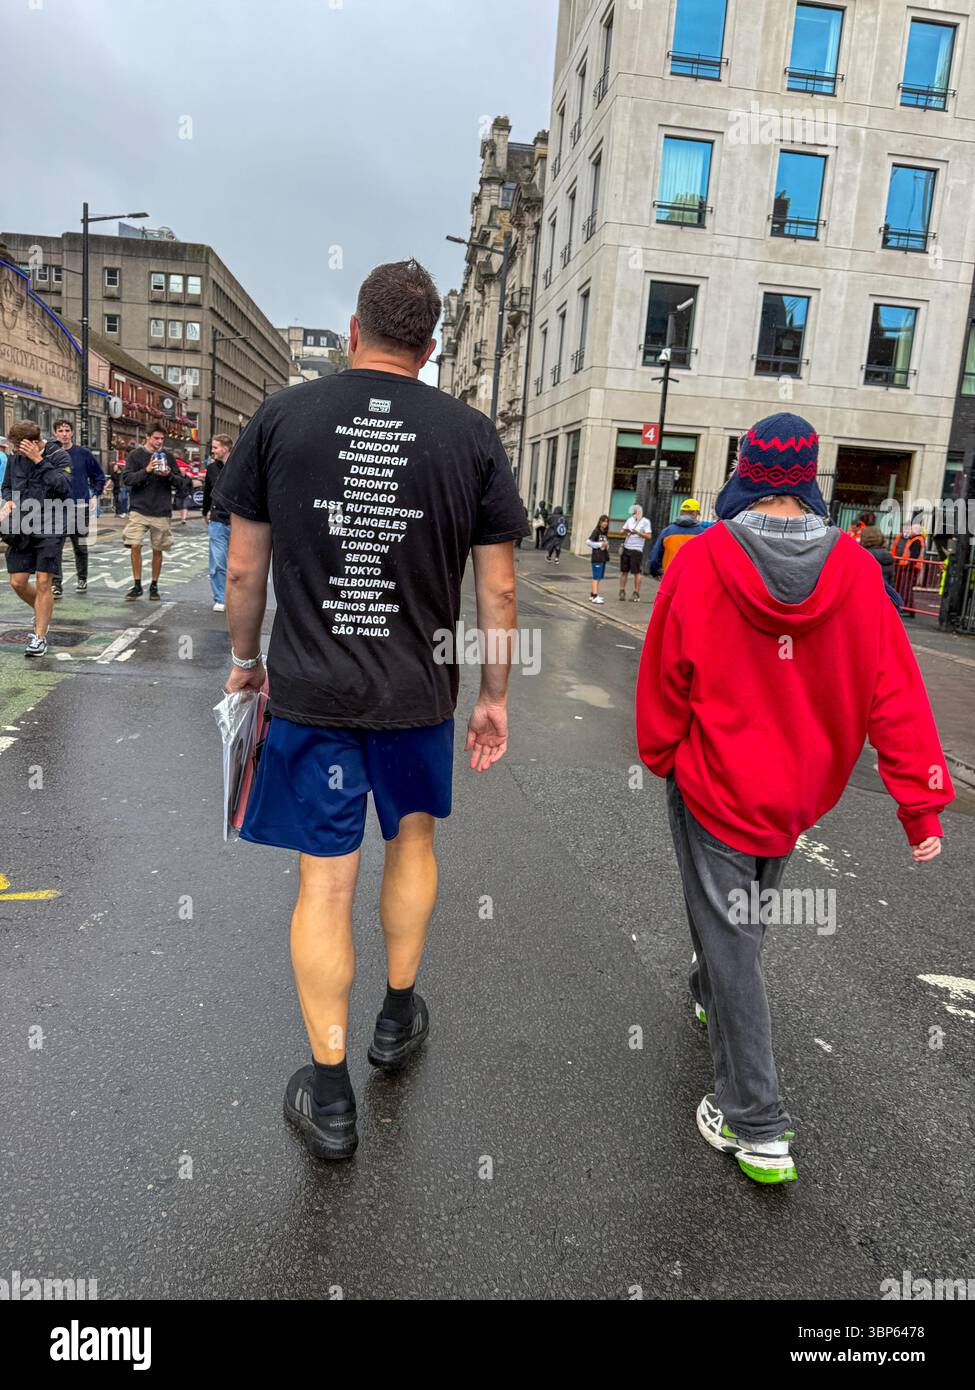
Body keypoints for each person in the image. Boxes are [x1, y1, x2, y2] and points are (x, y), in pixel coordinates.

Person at [215, 258, 529, 1161]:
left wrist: (245, 662)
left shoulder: (281, 416)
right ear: (429, 350)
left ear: (353, 333)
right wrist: (496, 696)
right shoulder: (468, 433)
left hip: (311, 693)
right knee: (415, 844)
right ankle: (397, 1017)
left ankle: (329, 1092)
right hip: (418, 695)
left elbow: (244, 569)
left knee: (326, 879)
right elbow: (499, 593)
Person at [636, 411, 953, 1187]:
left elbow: (665, 668)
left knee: (733, 932)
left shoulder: (704, 558)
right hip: (800, 789)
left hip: (715, 780)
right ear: (809, 482)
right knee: (740, 919)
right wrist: (919, 801)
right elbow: (895, 693)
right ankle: (708, 990)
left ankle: (755, 1123)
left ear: (747, 474)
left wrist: (662, 750)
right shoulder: (857, 572)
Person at [0, 421, 72, 657]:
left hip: (52, 526)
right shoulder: (15, 459)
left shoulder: (58, 455)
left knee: (43, 582)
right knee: (18, 582)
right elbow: (8, 486)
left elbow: (63, 486)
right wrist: (9, 500)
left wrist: (39, 461)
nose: (16, 451)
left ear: (33, 442)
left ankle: (39, 638)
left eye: (20, 447)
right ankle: (43, 610)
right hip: (22, 526)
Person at [121, 425, 187, 601]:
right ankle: (136, 584)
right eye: (156, 438)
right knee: (134, 544)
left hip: (161, 509)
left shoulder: (169, 457)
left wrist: (169, 475)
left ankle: (154, 585)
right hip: (139, 508)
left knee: (158, 548)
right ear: (148, 437)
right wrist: (147, 470)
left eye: (162, 439)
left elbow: (181, 482)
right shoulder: (135, 456)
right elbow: (127, 479)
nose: (159, 442)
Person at [51, 419, 106, 597]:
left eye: (67, 430)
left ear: (72, 433)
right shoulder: (50, 454)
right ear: (55, 433)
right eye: (60, 430)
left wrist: (95, 494)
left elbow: (98, 476)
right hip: (57, 507)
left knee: (80, 546)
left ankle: (82, 578)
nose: (64, 433)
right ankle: (56, 584)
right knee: (55, 547)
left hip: (80, 506)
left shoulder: (83, 453)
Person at [202, 434, 234, 612]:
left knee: (237, 565)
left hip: (238, 521)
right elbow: (208, 491)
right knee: (218, 561)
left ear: (225, 448)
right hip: (218, 520)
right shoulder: (212, 468)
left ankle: (235, 596)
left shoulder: (239, 465)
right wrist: (205, 511)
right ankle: (220, 597)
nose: (212, 451)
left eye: (215, 447)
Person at [647, 498, 709, 579]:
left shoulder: (667, 532)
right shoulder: (703, 533)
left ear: (681, 512)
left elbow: (654, 558)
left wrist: (655, 572)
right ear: (695, 513)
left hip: (670, 578)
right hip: (693, 579)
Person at [890, 521, 926, 619]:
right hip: (909, 567)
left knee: (906, 589)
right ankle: (907, 609)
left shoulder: (916, 541)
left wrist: (906, 565)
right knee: (906, 588)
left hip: (910, 568)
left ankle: (908, 609)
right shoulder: (916, 539)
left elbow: (913, 557)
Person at [619, 503, 652, 601]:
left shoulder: (645, 522)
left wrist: (638, 532)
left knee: (636, 572)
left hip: (636, 550)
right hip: (626, 547)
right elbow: (622, 531)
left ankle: (636, 593)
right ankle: (622, 591)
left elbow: (649, 536)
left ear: (639, 512)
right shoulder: (629, 520)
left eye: (635, 512)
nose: (633, 514)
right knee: (624, 571)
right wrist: (624, 531)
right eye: (632, 513)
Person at [587, 514, 610, 603]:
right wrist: (600, 544)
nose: (605, 523)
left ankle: (593, 595)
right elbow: (588, 542)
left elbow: (605, 545)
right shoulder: (596, 531)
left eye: (607, 522)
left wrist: (606, 545)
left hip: (603, 557)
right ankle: (595, 596)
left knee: (599, 577)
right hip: (596, 557)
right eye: (603, 521)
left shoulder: (604, 532)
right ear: (600, 522)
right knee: (596, 577)